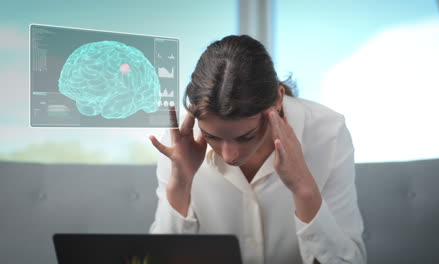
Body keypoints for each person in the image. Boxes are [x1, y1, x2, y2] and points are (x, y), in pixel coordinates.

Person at [148, 35, 367, 264]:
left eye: (246, 137)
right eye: (212, 136)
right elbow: (156, 259)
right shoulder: (179, 144)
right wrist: (181, 182)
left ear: (278, 100)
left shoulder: (327, 133)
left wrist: (304, 188)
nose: (229, 155)